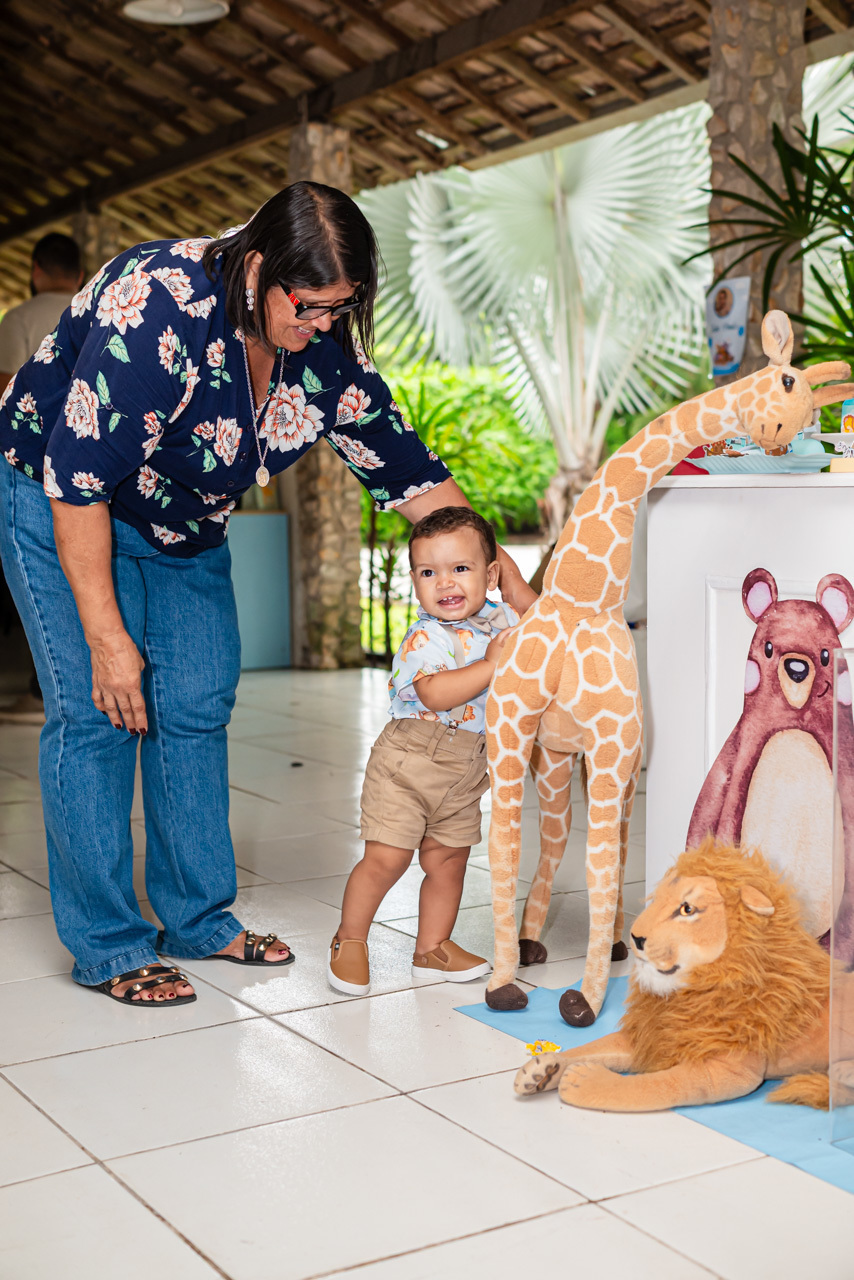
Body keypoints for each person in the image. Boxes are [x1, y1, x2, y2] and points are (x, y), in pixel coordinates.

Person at [0, 184, 536, 1008]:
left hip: (181, 523)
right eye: (311, 305)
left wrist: (515, 589)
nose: (324, 325)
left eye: (341, 308)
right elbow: (77, 481)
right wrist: (108, 639)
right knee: (101, 708)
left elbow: (416, 479)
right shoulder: (159, 313)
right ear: (257, 267)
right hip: (59, 495)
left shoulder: (325, 350)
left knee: (196, 700)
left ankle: (197, 919)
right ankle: (108, 943)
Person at [328, 506, 522, 996]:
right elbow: (435, 694)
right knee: (387, 858)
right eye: (429, 572)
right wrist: (494, 665)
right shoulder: (426, 635)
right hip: (408, 764)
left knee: (450, 860)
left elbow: (545, 638)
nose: (446, 583)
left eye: (461, 568)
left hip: (468, 769)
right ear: (414, 581)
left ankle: (432, 947)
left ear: (491, 574)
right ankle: (349, 939)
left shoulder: (503, 622)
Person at [0, 233, 84, 724]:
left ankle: (43, 688)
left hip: (30, 465)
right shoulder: (93, 308)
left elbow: (6, 391)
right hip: (91, 462)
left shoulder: (19, 319)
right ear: (78, 274)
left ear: (34, 270)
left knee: (35, 577)